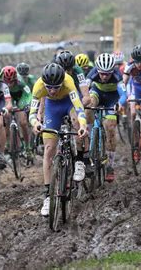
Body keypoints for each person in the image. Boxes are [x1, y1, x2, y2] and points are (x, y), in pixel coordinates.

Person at [29, 63, 88, 216]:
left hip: (68, 103)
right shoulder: (38, 86)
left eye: (56, 87)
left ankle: (79, 160)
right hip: (51, 108)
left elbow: (80, 108)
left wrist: (82, 126)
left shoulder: (68, 82)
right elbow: (32, 113)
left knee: (76, 122)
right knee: (49, 150)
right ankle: (48, 197)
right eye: (49, 87)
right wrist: (36, 123)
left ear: (62, 82)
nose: (53, 90)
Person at [85, 53, 126, 182]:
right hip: (97, 94)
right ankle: (90, 133)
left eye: (107, 74)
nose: (103, 76)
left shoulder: (117, 75)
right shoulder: (92, 73)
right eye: (101, 73)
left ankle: (110, 167)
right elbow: (85, 90)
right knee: (89, 105)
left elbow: (124, 94)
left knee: (110, 128)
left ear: (112, 71)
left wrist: (120, 104)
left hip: (112, 99)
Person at [2, 66, 33, 159]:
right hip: (8, 98)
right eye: (7, 81)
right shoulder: (2, 84)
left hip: (20, 98)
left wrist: (27, 104)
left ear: (15, 78)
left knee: (23, 122)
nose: (9, 84)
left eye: (11, 81)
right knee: (6, 118)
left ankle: (28, 148)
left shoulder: (20, 81)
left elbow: (28, 94)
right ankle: (7, 144)